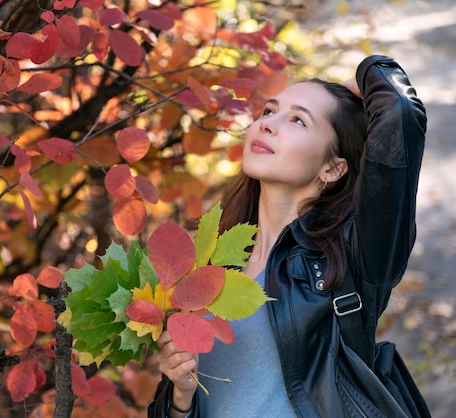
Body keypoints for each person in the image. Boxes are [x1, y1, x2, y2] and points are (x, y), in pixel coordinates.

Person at [148, 55, 427, 417]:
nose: (268, 125)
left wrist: (368, 71)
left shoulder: (351, 256)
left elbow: (400, 114)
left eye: (298, 119)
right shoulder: (211, 262)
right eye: (268, 112)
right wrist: (180, 398)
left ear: (333, 167)